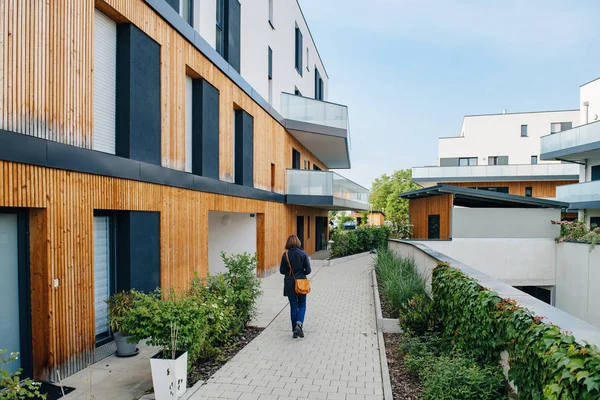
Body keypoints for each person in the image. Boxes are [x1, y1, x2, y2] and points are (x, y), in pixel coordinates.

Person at [280, 234, 311, 338]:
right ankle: (299, 324)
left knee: (294, 306)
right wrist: (301, 272)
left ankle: (294, 331)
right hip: (301, 282)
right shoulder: (303, 253)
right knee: (302, 304)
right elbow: (308, 270)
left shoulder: (286, 255)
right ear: (298, 242)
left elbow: (282, 271)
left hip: (289, 283)